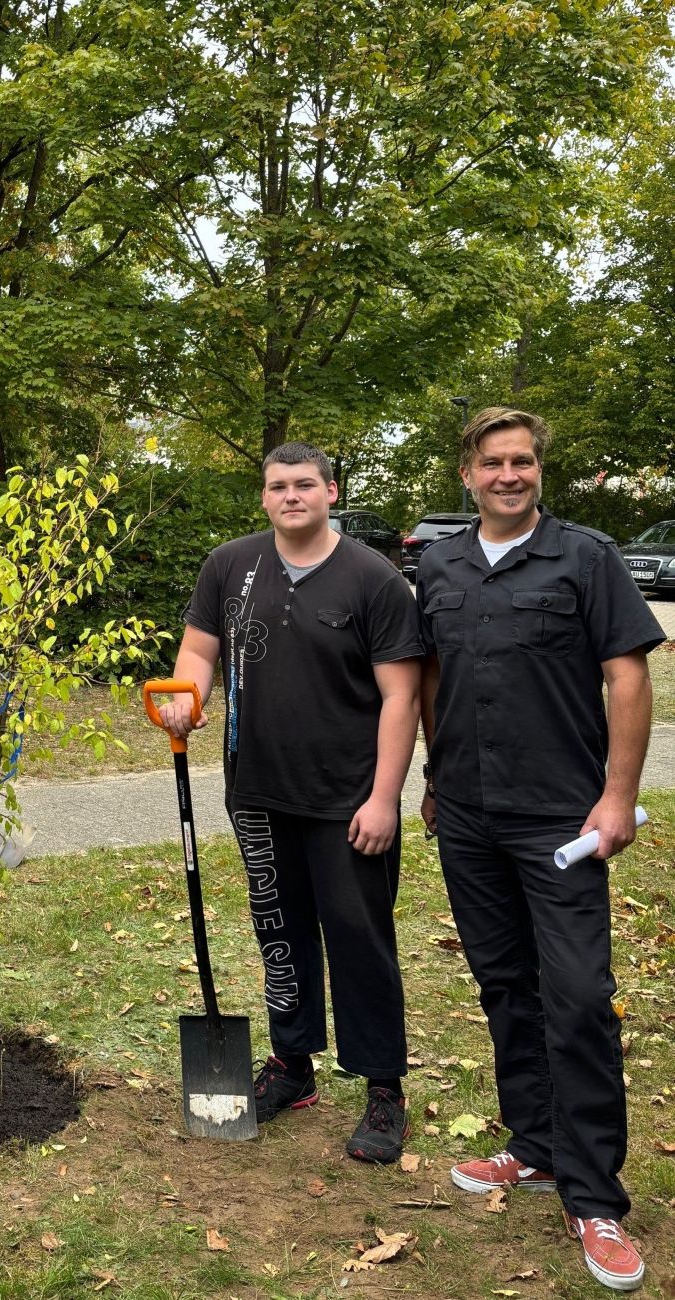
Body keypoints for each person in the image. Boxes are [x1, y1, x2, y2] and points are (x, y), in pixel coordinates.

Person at [417, 406, 662, 1293]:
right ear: (467, 474)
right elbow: (434, 677)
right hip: (469, 817)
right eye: (494, 462)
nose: (509, 474)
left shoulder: (587, 558)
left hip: (561, 818)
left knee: (580, 998)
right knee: (506, 987)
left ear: (537, 472)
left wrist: (618, 796)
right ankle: (535, 1147)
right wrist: (435, 777)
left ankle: (595, 1194)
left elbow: (628, 673)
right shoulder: (438, 564)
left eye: (523, 461)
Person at [159, 441, 422, 1162]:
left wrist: (385, 798)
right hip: (258, 791)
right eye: (278, 486)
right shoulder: (230, 566)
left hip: (348, 800)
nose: (291, 495)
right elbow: (199, 653)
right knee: (280, 934)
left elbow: (403, 695)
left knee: (358, 939)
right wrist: (185, 703)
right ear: (265, 496)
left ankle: (382, 1089)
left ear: (332, 492)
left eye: (305, 484)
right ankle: (292, 1066)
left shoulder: (375, 579)